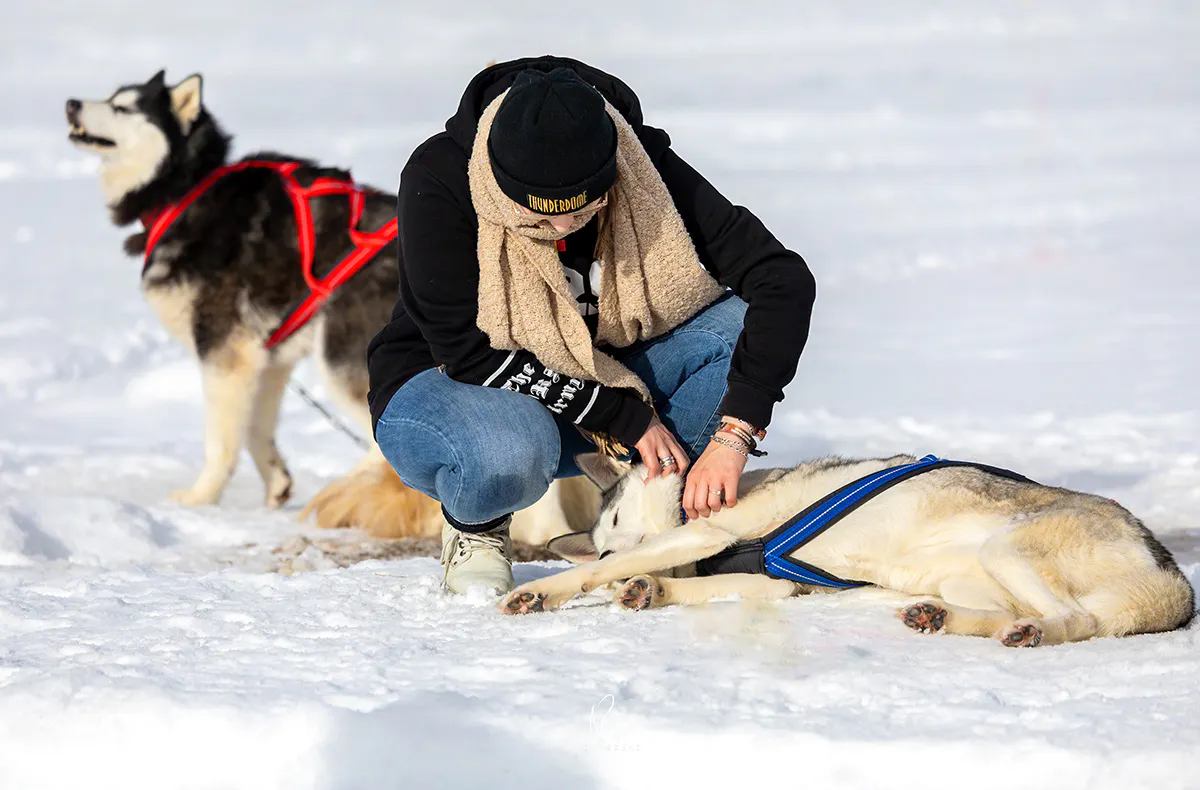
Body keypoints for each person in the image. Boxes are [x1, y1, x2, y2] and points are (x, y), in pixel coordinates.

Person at [367, 56, 816, 595]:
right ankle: (477, 527)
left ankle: (651, 513)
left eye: (583, 212)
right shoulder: (441, 175)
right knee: (512, 445)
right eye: (538, 217)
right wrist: (619, 414)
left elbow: (781, 279)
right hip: (453, 385)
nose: (561, 229)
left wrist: (735, 433)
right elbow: (464, 349)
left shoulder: (640, 165)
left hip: (599, 379)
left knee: (736, 330)